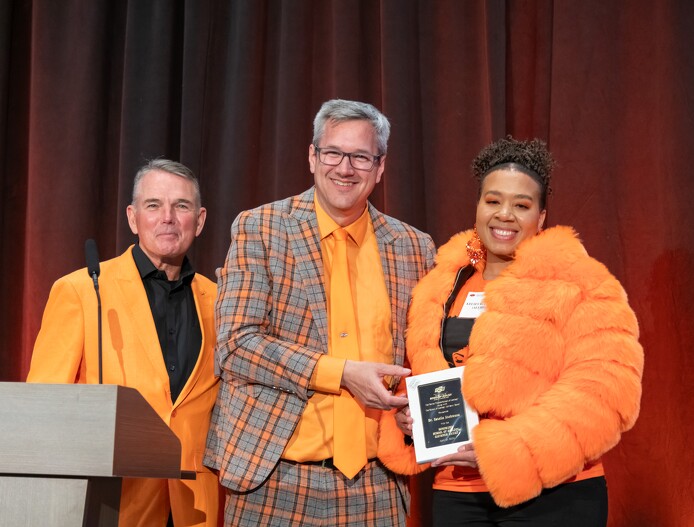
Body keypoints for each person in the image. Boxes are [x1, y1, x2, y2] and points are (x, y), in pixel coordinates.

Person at [378, 137, 644, 526]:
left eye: (521, 205)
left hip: (555, 492)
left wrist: (501, 452)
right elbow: (422, 371)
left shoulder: (581, 283)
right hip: (457, 490)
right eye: (493, 200)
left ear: (541, 218)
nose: (505, 215)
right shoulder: (442, 284)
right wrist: (407, 417)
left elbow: (604, 393)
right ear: (478, 207)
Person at [203, 99, 436, 526]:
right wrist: (340, 373)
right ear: (313, 157)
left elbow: (423, 356)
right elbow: (236, 346)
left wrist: (413, 410)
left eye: (361, 157)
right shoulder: (261, 228)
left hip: (377, 484)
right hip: (274, 478)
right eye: (333, 153)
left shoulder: (414, 247)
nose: (345, 168)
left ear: (380, 167)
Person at [28, 159, 222, 526]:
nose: (167, 217)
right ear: (133, 218)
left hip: (195, 505)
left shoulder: (221, 301)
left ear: (199, 220)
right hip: (114, 503)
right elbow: (45, 411)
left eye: (181, 206)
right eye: (154, 205)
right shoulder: (82, 291)